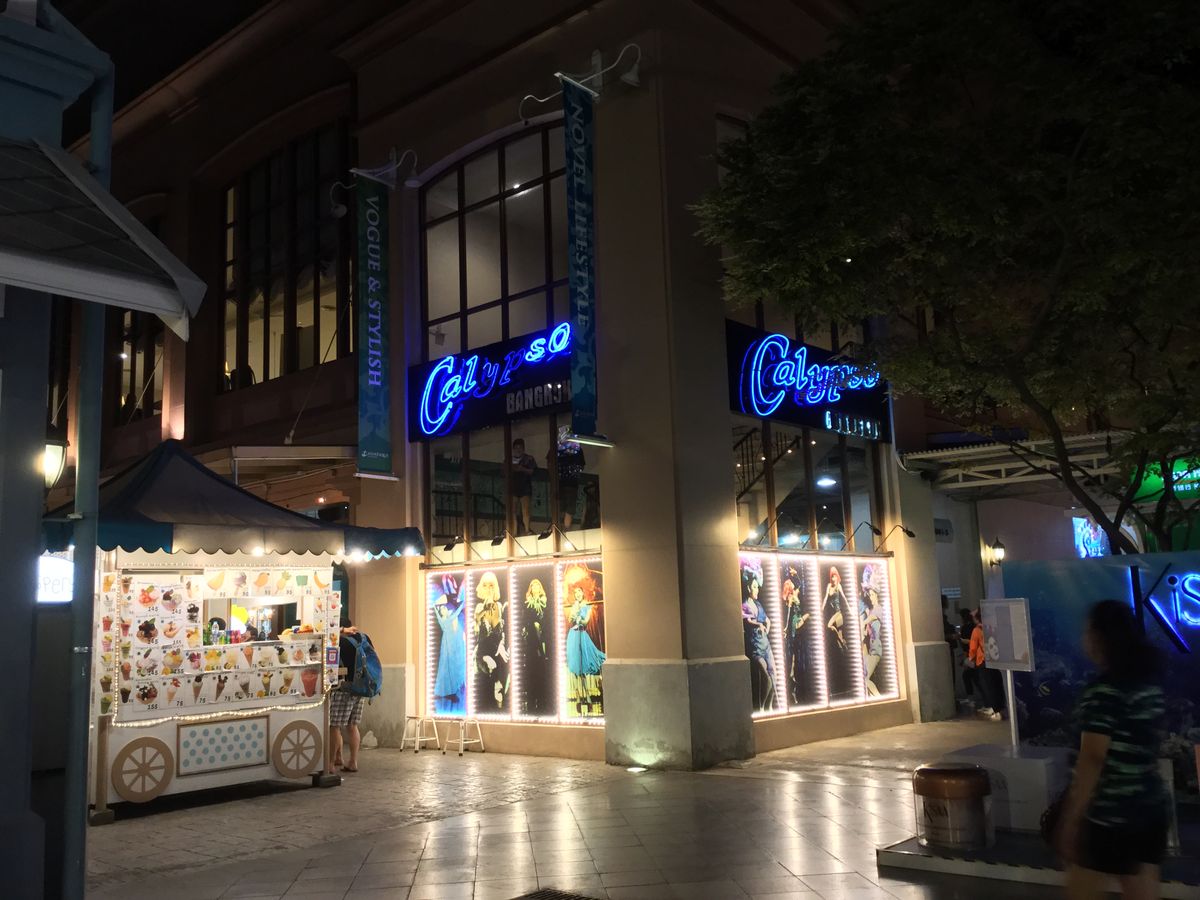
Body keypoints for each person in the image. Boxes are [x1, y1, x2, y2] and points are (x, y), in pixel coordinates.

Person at [1054, 600, 1167, 900]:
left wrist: (1072, 818)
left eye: (1087, 631)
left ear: (1099, 638)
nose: (1083, 639)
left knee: (1081, 890)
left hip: (1110, 814)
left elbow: (1093, 757)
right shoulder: (1148, 684)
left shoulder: (1103, 691)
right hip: (1150, 808)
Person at [328, 622, 368, 773]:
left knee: (334, 726)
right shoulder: (362, 639)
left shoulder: (339, 642)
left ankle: (330, 764)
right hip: (360, 688)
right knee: (352, 726)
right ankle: (353, 761)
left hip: (343, 689)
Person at [741, 572, 776, 711]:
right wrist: (758, 624)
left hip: (765, 643)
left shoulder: (758, 604)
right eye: (754, 587)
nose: (757, 590)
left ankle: (769, 706)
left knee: (773, 675)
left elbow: (767, 619)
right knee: (766, 677)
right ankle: (761, 708)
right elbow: (748, 620)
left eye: (757, 587)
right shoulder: (745, 605)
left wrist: (767, 627)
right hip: (755, 646)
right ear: (749, 588)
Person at [432, 576, 466, 714]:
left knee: (452, 669)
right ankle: (449, 693)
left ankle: (453, 691)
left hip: (455, 644)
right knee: (448, 669)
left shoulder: (452, 617)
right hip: (450, 645)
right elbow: (453, 613)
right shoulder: (446, 617)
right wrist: (460, 605)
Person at [781, 572, 812, 706]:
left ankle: (798, 687)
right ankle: (793, 687)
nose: (795, 590)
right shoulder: (790, 600)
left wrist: (796, 574)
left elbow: (800, 585)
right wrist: (786, 627)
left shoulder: (796, 595)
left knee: (798, 658)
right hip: (795, 627)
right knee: (793, 659)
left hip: (800, 627)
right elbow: (788, 616)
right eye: (792, 589)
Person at [968, 608, 1003, 720]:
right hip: (994, 660)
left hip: (982, 660)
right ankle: (999, 707)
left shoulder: (977, 630)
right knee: (996, 684)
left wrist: (971, 658)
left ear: (977, 618)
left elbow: (973, 647)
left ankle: (996, 710)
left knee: (988, 686)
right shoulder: (991, 628)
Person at [823, 566, 851, 700]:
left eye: (835, 576)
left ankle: (844, 645)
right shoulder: (829, 586)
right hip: (833, 614)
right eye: (832, 576)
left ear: (837, 576)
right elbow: (825, 599)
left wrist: (850, 610)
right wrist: (821, 608)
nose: (833, 578)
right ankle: (845, 647)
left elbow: (844, 599)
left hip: (839, 614)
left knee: (830, 626)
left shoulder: (839, 586)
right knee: (839, 642)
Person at [550, 426, 585, 528]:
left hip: (566, 482)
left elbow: (581, 465)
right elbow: (581, 465)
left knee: (565, 507)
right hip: (563, 483)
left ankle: (563, 529)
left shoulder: (559, 448)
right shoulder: (575, 449)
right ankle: (563, 529)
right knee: (564, 507)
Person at [510, 439, 537, 534]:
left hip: (525, 487)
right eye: (516, 447)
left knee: (526, 510)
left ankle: (527, 530)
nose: (518, 450)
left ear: (523, 448)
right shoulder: (509, 459)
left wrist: (522, 469)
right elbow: (504, 471)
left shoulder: (528, 459)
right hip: (513, 488)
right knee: (512, 511)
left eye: (520, 447)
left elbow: (533, 471)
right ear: (513, 449)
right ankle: (513, 532)